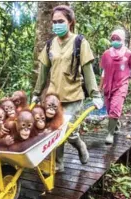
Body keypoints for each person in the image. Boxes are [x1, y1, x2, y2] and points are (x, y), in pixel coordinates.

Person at [32, 5, 103, 172]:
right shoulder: (50, 45)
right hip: (53, 97)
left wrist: (95, 94)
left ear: (70, 22)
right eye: (54, 22)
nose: (57, 24)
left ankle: (80, 145)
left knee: (67, 131)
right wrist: (36, 94)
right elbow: (43, 72)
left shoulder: (80, 42)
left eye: (61, 21)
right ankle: (58, 164)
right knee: (55, 131)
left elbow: (87, 70)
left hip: (73, 95)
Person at [99, 29, 131, 145]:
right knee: (110, 108)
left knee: (115, 107)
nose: (115, 41)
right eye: (113, 39)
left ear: (123, 40)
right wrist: (99, 87)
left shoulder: (128, 54)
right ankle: (116, 124)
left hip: (122, 85)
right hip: (108, 84)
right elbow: (104, 72)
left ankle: (109, 134)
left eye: (118, 39)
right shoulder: (106, 54)